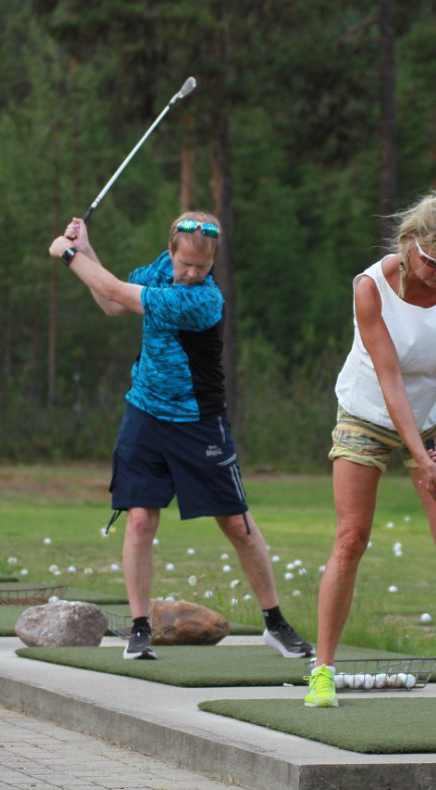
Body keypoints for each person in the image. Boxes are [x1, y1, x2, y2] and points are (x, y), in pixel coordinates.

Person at [49, 212, 314, 661]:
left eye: (202, 267)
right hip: (145, 413)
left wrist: (70, 254)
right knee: (139, 520)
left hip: (198, 421)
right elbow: (112, 303)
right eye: (185, 264)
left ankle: (275, 622)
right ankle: (139, 628)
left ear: (213, 263)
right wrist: (88, 249)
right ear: (171, 251)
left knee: (237, 525)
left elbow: (114, 291)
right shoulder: (160, 268)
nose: (191, 273)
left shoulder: (203, 301)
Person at [304, 191, 436, 709]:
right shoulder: (371, 288)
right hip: (368, 412)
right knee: (351, 538)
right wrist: (420, 455)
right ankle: (322, 671)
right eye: (433, 262)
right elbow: (390, 378)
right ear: (410, 243)